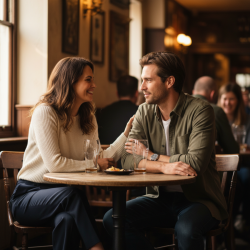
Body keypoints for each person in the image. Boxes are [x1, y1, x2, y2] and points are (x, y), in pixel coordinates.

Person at [103, 51, 228, 250]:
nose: (142, 87)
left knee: (186, 229)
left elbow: (194, 164)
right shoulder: (144, 110)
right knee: (112, 219)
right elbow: (126, 159)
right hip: (158, 197)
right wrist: (163, 167)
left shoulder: (201, 110)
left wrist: (150, 155)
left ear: (169, 81)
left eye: (148, 80)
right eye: (142, 80)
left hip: (198, 199)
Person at [9, 57, 134, 250]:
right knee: (73, 195)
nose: (94, 85)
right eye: (88, 79)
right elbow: (55, 165)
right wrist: (94, 165)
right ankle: (98, 247)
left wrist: (126, 135)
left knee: (66, 220)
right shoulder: (46, 112)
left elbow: (99, 159)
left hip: (64, 199)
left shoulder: (88, 115)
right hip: (29, 196)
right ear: (70, 81)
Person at [217, 82, 250, 234]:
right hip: (218, 164)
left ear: (238, 101)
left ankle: (240, 219)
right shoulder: (214, 118)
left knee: (245, 176)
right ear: (219, 99)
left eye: (232, 99)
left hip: (242, 163)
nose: (227, 103)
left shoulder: (246, 121)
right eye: (225, 99)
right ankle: (226, 222)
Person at [192, 76, 239, 154]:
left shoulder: (179, 107)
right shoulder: (215, 110)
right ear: (212, 94)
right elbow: (232, 149)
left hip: (174, 162)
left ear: (193, 92)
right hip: (203, 164)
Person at [98, 75, 138, 145]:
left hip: (103, 154)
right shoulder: (141, 113)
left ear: (117, 93)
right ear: (136, 93)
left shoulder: (103, 112)